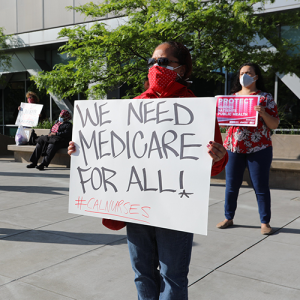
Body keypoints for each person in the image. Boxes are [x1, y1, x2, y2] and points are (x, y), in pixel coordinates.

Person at [68, 41, 228, 300]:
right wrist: (83, 149)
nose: (156, 67)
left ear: (182, 69)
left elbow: (213, 166)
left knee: (172, 275)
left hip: (175, 208)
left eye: (163, 62)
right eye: (151, 62)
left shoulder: (198, 110)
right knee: (141, 271)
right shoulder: (135, 106)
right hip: (138, 206)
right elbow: (111, 150)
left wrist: (218, 157)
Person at [216, 62, 280, 235]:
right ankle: (228, 217)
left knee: (260, 186)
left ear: (256, 77)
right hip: (233, 147)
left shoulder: (265, 98)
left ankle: (265, 222)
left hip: (259, 148)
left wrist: (263, 113)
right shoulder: (231, 98)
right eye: (242, 72)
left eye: (249, 73)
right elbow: (223, 124)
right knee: (231, 186)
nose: (244, 75)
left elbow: (274, 124)